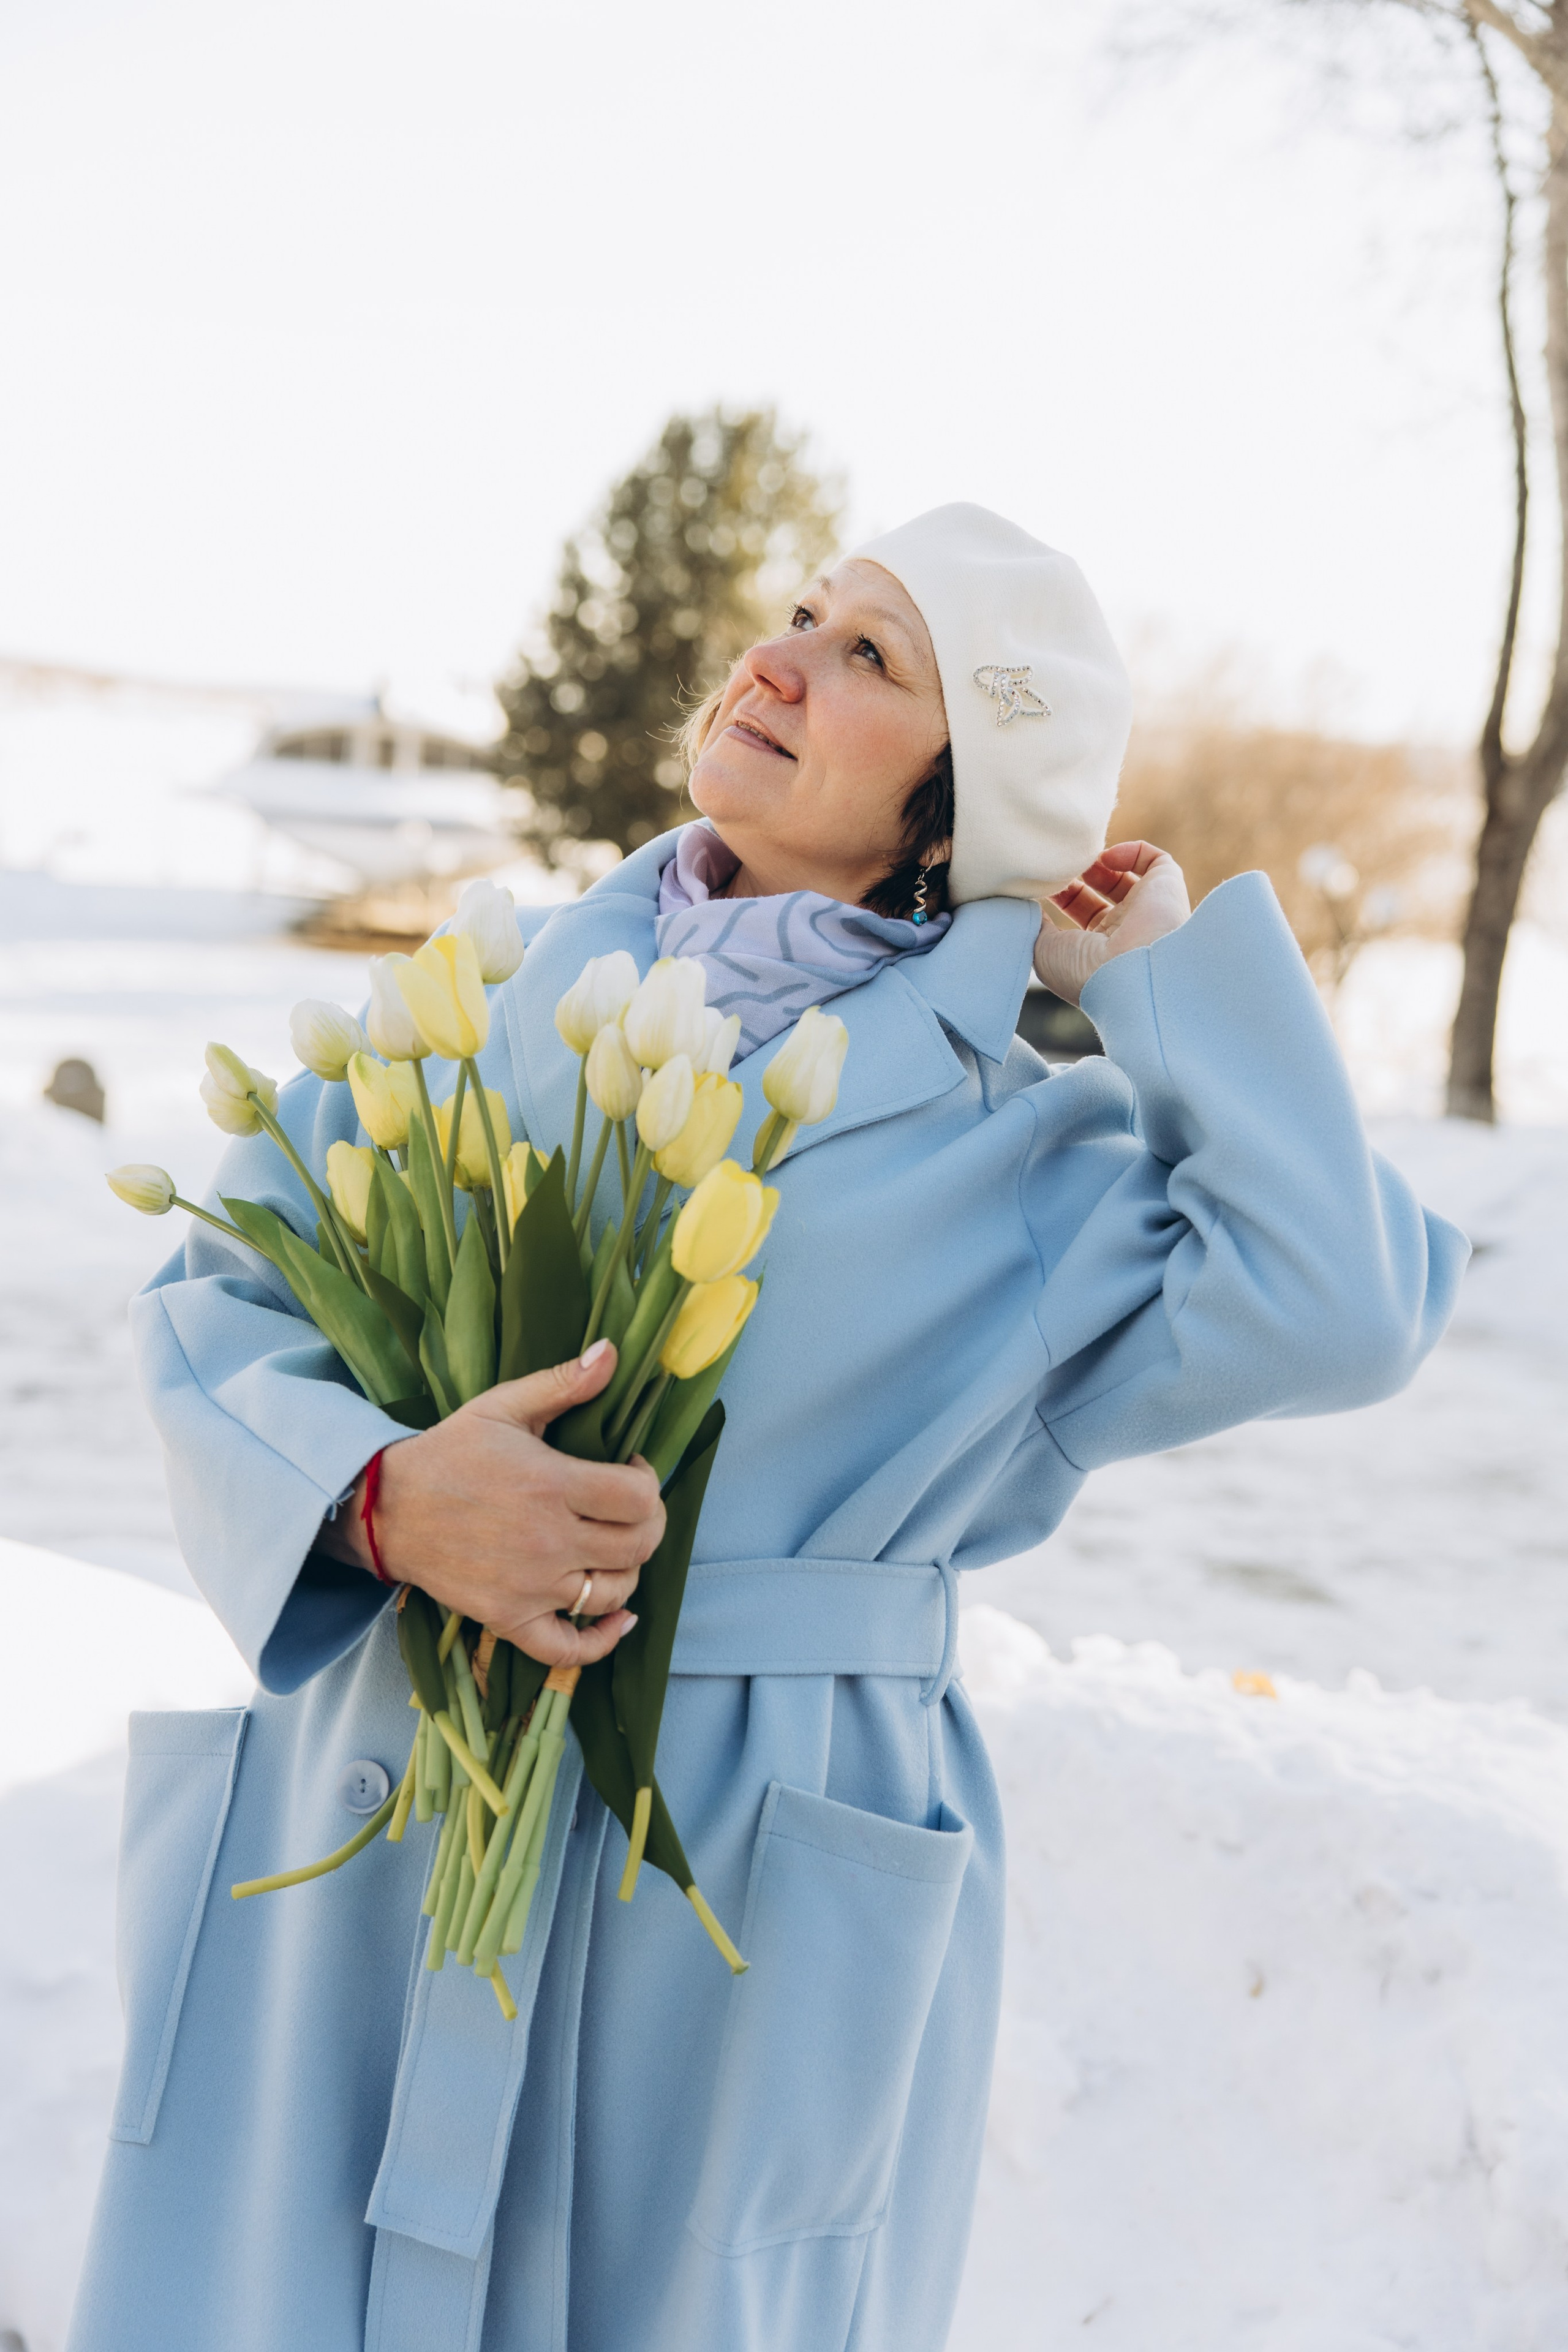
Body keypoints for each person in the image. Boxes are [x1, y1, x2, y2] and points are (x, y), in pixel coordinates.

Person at [69, 505, 1467, 2352]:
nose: (781, 660)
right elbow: (214, 1308)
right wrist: (389, 1500)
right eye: (800, 615)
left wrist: (1161, 982)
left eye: (874, 657)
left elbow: (1339, 1301)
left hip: (736, 1870)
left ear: (960, 811)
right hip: (388, 1793)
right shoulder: (475, 1001)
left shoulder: (1027, 1156)